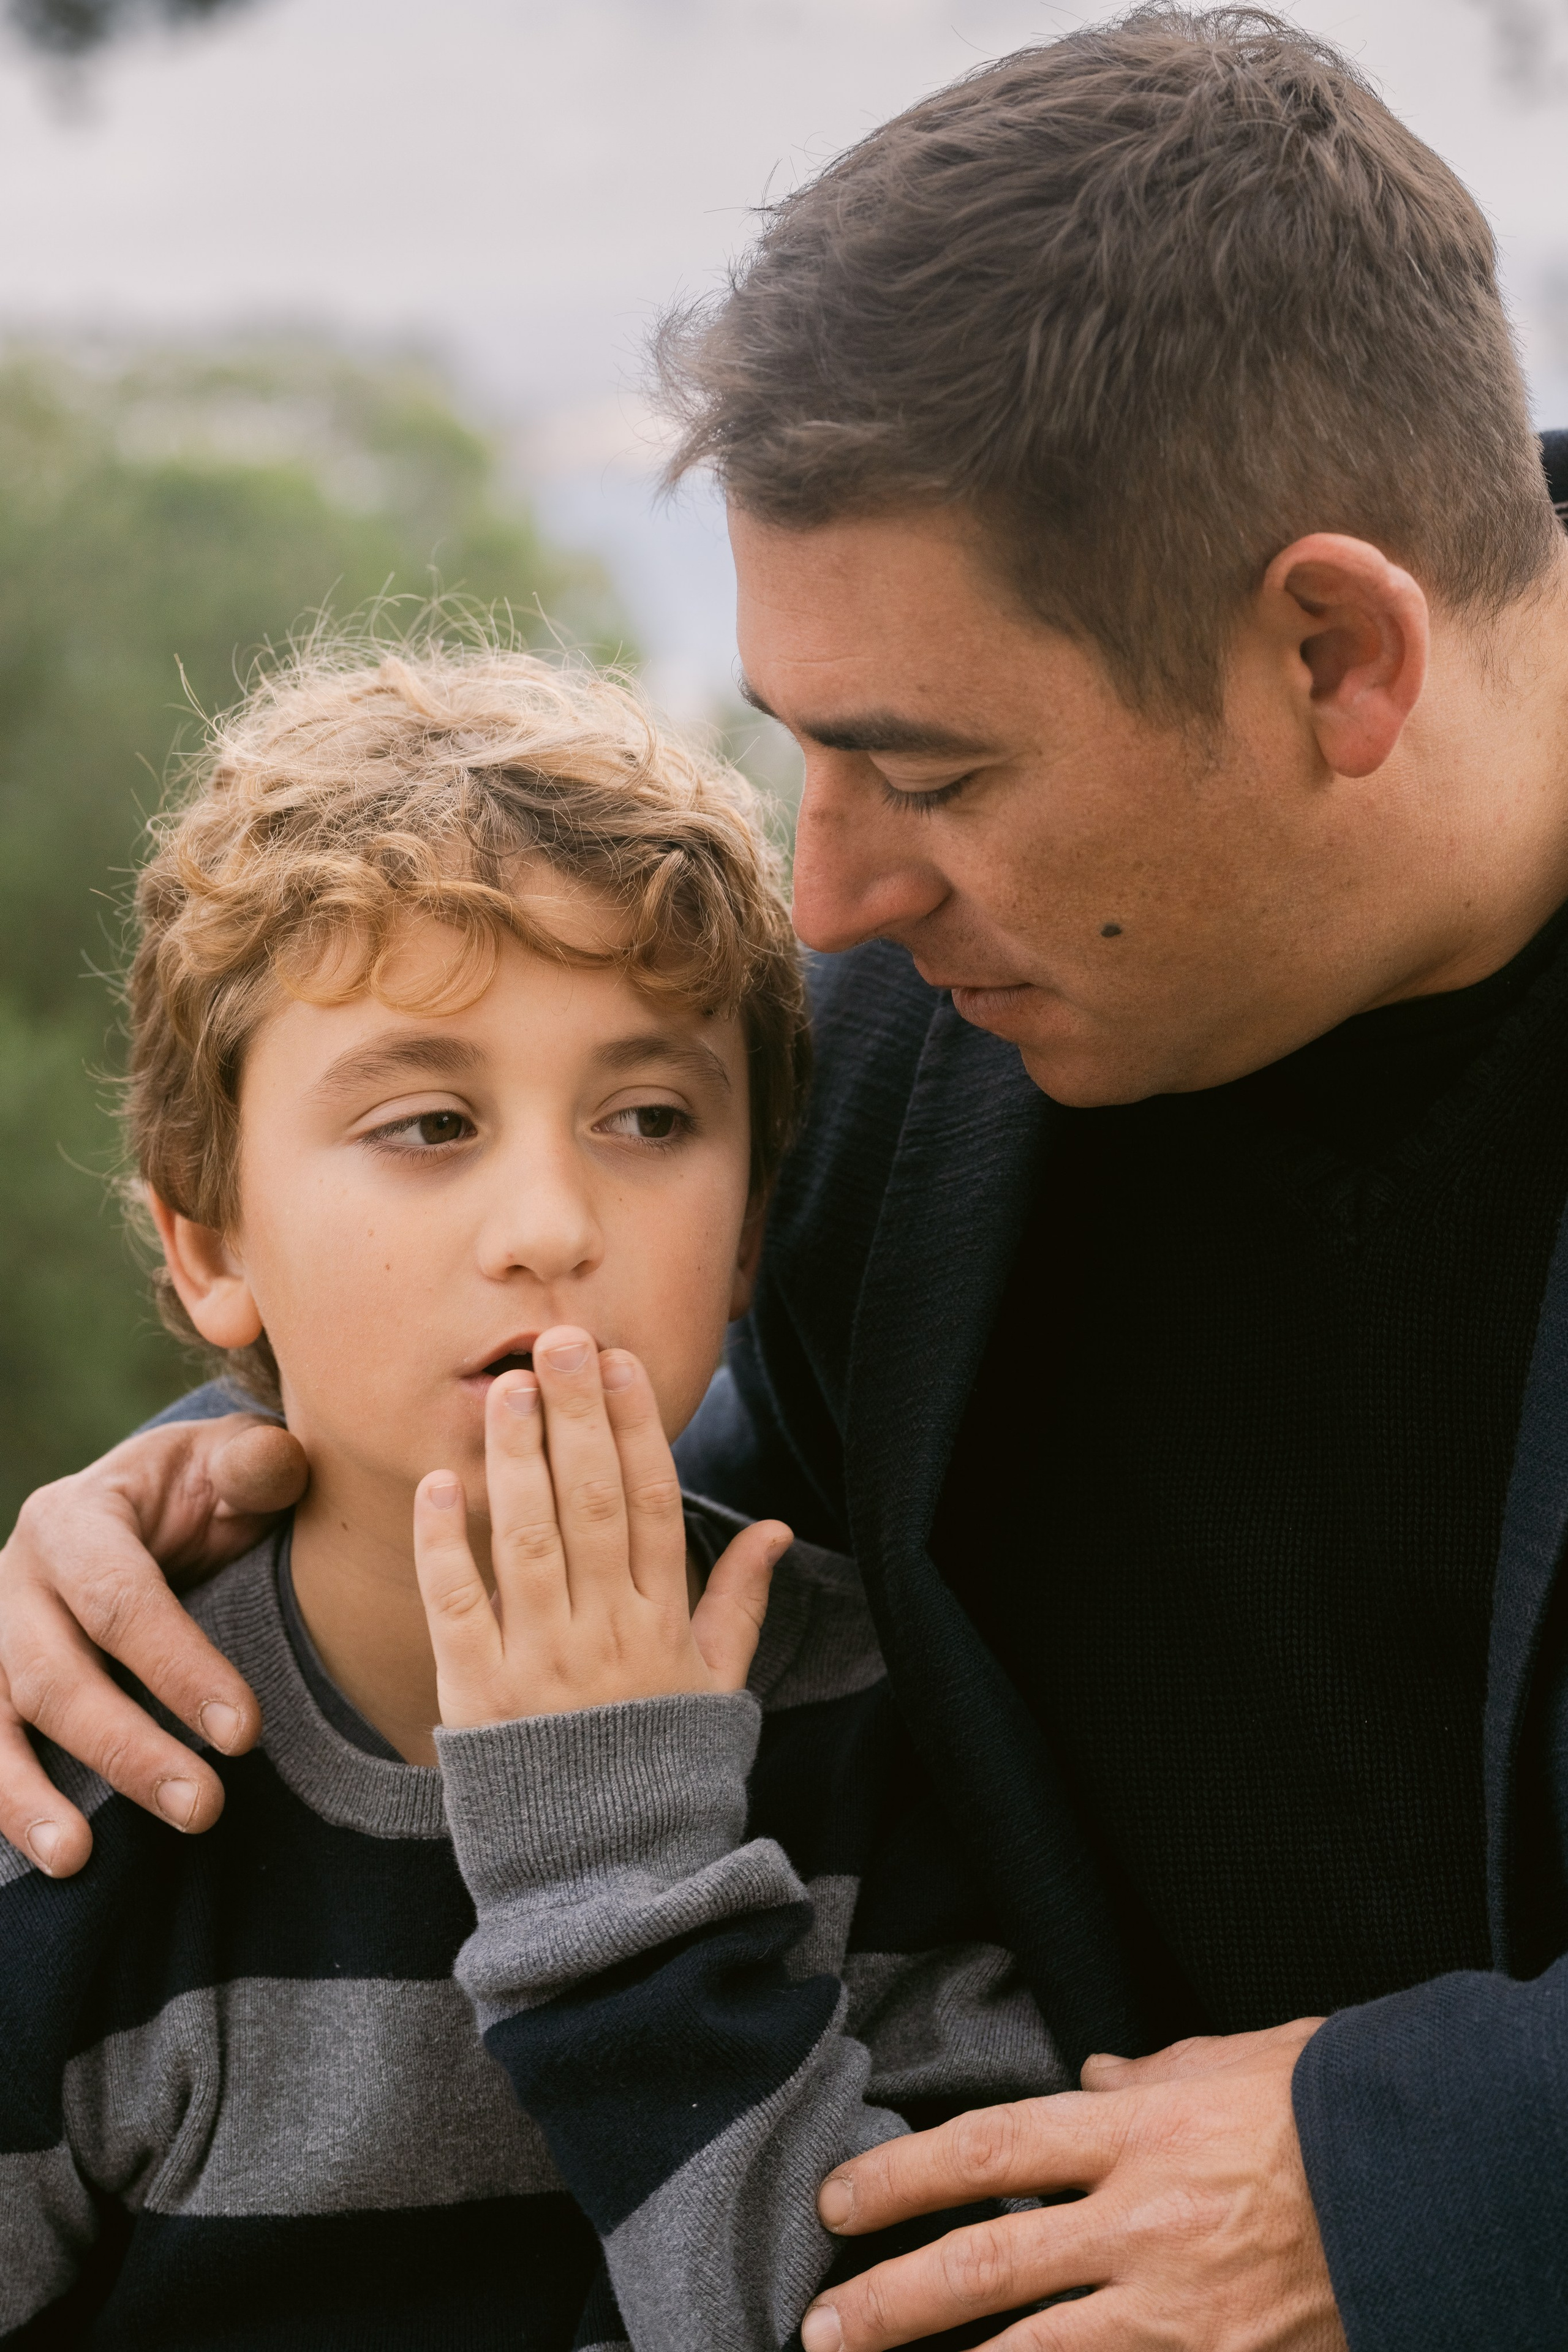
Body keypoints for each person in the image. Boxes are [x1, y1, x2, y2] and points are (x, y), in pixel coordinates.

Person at [4, 9, 1568, 2347]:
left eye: (925, 769)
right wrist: (176, 1523)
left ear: (1333, 652)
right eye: (799, 747)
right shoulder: (912, 1068)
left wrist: (1429, 2172)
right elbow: (637, 1512)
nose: (826, 900)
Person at [0, 638, 1069, 2350]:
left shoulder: (884, 1734)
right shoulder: (79, 1781)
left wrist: (626, 1873)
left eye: (650, 1117)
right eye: (428, 1123)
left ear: (750, 1231)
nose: (551, 1223)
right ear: (210, 1238)